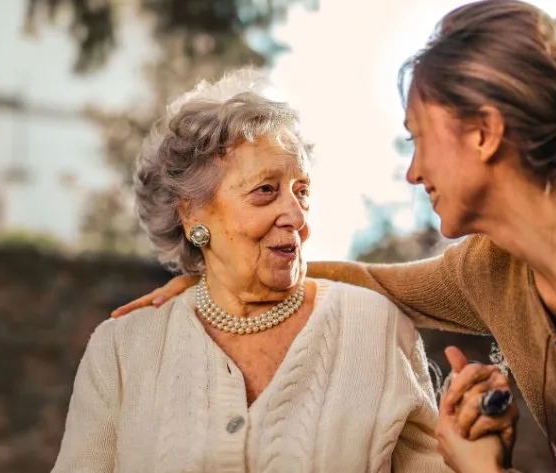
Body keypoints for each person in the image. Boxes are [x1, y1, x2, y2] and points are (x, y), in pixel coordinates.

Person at [113, 1, 556, 472]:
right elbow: (371, 281)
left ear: (483, 133)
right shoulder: (495, 266)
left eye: (419, 137)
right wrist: (216, 273)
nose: (413, 171)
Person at [51, 71, 474, 473]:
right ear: (193, 213)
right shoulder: (123, 348)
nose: (295, 215)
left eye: (302, 191)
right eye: (265, 190)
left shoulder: (377, 328)